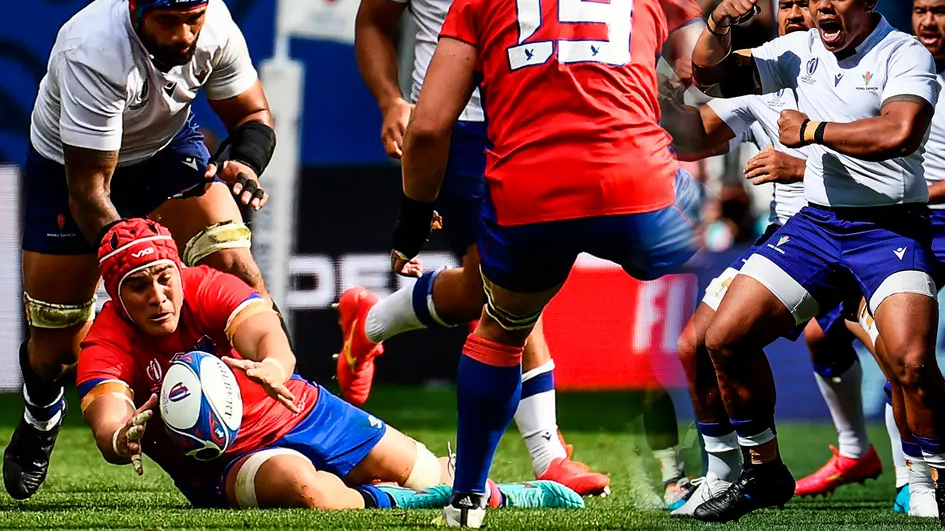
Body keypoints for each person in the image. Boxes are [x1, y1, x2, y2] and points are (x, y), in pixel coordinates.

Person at [390, 0, 706, 525]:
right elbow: (701, 78)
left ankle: (466, 501)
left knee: (503, 327)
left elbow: (430, 126)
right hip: (636, 187)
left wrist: (411, 224)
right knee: (717, 258)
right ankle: (731, 460)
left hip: (528, 194)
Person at [690, 0, 945, 525]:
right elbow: (712, 77)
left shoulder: (903, 53)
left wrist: (814, 130)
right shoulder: (798, 51)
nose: (823, 8)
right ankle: (764, 470)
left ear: (869, 1)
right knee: (723, 337)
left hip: (889, 227)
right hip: (817, 228)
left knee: (912, 361)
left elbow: (901, 132)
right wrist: (718, 26)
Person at [4, 0, 285, 501]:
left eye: (193, 19)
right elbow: (89, 193)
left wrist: (246, 162)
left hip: (164, 149)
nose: (184, 35)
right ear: (135, 6)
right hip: (71, 167)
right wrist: (146, 264)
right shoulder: (93, 48)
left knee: (236, 263)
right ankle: (40, 419)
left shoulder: (216, 24)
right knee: (57, 342)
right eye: (169, 21)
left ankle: (281, 407)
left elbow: (253, 116)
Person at [76, 218, 585, 512]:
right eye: (138, 286)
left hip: (299, 407)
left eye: (163, 277)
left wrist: (275, 367)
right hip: (226, 462)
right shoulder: (105, 340)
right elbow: (108, 418)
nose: (158, 296)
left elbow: (266, 333)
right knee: (313, 493)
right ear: (117, 297)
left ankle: (484, 488)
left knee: (427, 472)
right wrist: (123, 437)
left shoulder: (204, 284)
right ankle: (400, 501)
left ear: (178, 271)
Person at [346, 0, 608, 497]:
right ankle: (548, 454)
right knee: (511, 275)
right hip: (455, 128)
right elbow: (373, 24)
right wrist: (392, 101)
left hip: (537, 120)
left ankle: (369, 324)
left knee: (488, 287)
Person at [664, 0, 883, 515]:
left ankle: (920, 479)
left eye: (806, 3)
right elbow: (690, 137)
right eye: (784, 5)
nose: (792, 13)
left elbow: (897, 157)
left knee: (898, 355)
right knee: (696, 343)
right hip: (790, 240)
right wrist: (657, 97)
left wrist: (801, 168)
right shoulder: (763, 82)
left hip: (857, 230)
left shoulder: (862, 68)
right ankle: (723, 471)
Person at [797, 0, 945, 508]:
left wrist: (920, 196)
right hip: (903, 224)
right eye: (920, 10)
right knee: (833, 337)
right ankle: (877, 460)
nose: (927, 21)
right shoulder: (889, 57)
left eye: (940, 10)